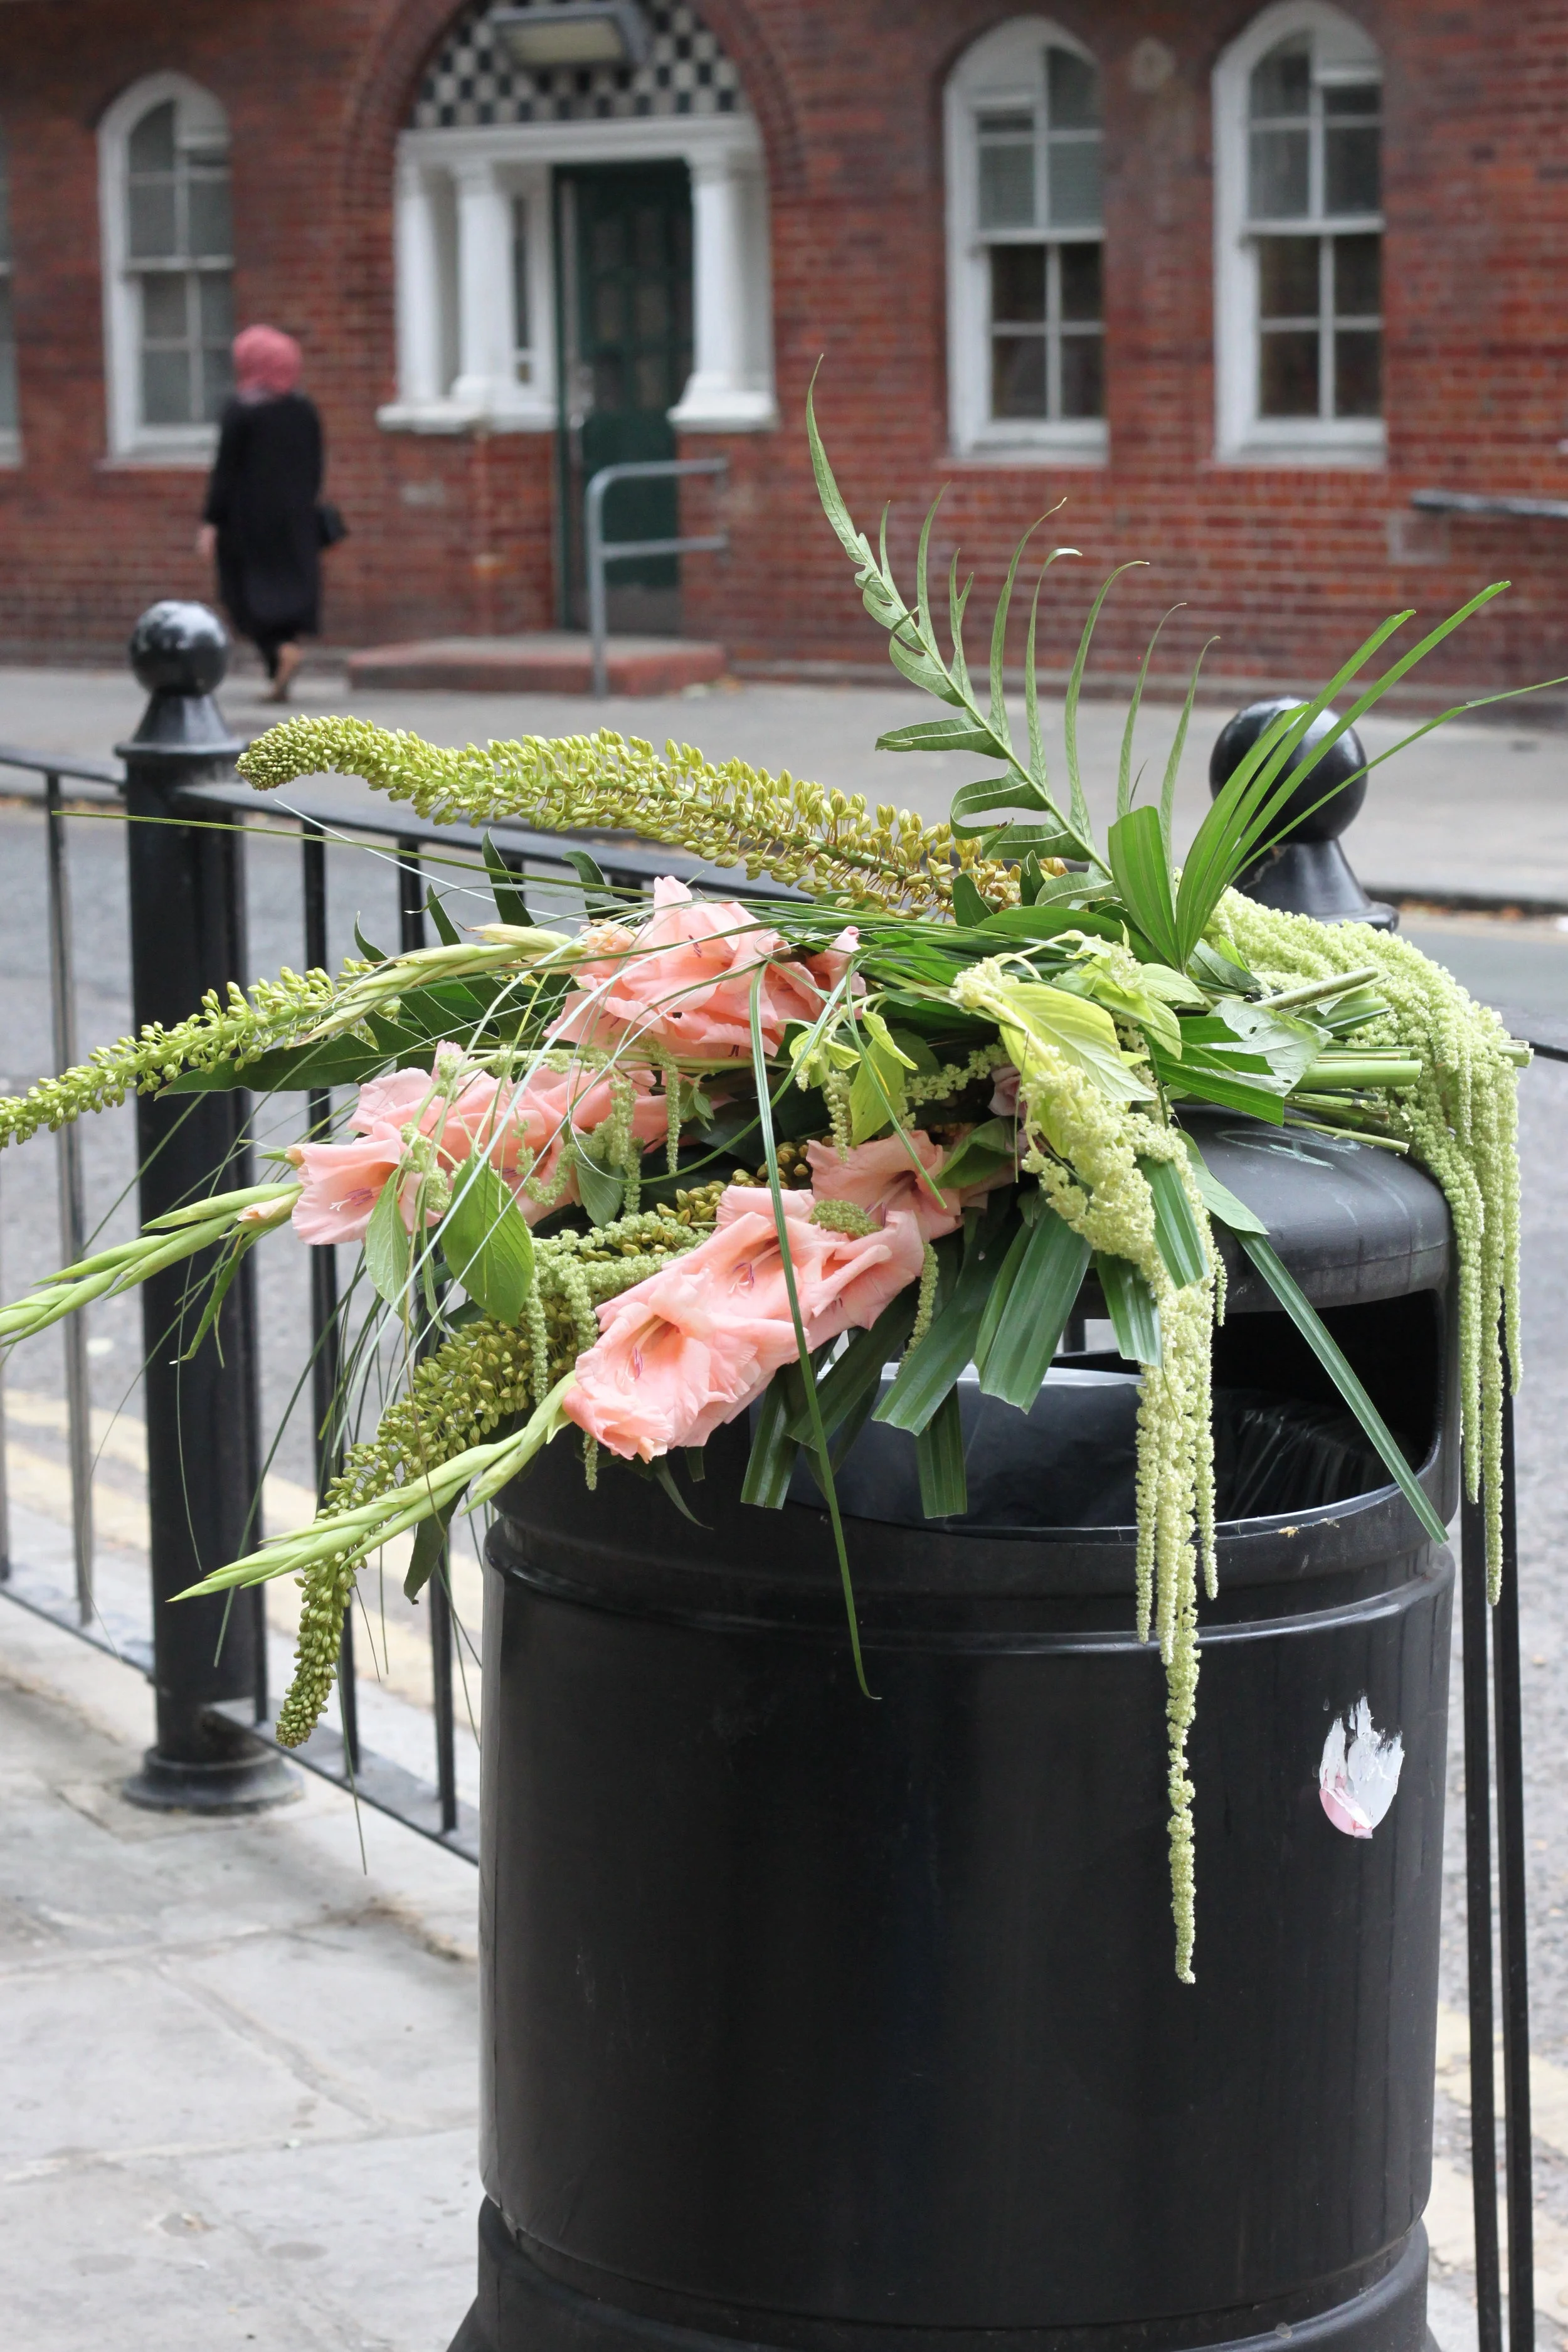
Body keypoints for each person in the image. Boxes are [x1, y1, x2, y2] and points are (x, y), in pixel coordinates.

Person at [197, 326, 324, 702]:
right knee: (289, 590)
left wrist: (211, 520)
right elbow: (315, 466)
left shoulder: (242, 410)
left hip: (246, 519)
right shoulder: (304, 410)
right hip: (296, 517)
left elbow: (226, 470)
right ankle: (283, 657)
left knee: (243, 592)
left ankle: (278, 654)